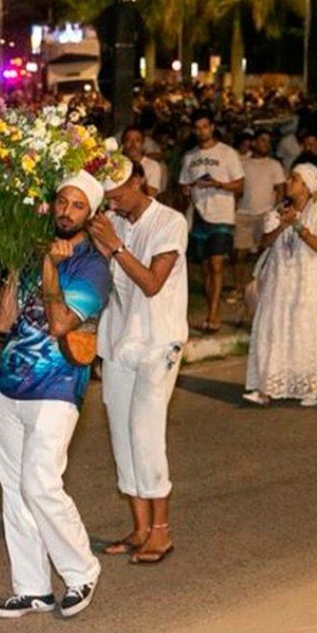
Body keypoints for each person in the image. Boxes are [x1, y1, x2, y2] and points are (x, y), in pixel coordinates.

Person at [0, 170, 110, 620]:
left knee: (40, 482)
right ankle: (32, 587)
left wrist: (48, 269)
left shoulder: (93, 268)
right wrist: (17, 267)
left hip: (57, 386)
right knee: (14, 489)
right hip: (8, 384)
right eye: (62, 202)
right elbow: (3, 323)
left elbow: (60, 323)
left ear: (90, 214)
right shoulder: (33, 254)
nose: (66, 212)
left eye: (78, 206)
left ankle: (81, 571)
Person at [88, 160, 187, 564]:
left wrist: (115, 246)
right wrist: (102, 248)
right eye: (107, 198)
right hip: (118, 341)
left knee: (146, 435)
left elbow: (151, 283)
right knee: (122, 436)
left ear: (139, 181)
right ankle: (140, 528)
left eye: (117, 195)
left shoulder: (169, 221)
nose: (112, 204)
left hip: (157, 342)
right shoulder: (114, 222)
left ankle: (161, 531)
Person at [244, 163, 317, 406]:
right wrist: (283, 225)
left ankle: (311, 386)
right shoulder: (279, 210)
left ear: (306, 187)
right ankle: (267, 387)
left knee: (306, 328)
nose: (288, 182)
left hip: (311, 278)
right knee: (277, 327)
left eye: (294, 179)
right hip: (282, 279)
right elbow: (264, 242)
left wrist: (297, 225)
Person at [179, 113, 245, 333]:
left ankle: (213, 314)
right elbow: (183, 185)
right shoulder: (190, 156)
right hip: (199, 214)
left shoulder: (227, 153)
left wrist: (218, 184)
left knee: (217, 263)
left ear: (212, 127)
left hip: (222, 214)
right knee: (206, 267)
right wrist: (187, 190)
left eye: (205, 126)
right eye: (198, 127)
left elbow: (240, 185)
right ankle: (210, 306)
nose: (202, 131)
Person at [235, 128, 286, 303]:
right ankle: (238, 288)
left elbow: (280, 189)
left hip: (266, 214)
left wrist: (276, 212)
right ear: (254, 143)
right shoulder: (242, 163)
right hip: (244, 213)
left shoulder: (274, 165)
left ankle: (263, 287)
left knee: (265, 253)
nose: (266, 144)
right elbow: (238, 187)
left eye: (268, 141)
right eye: (263, 140)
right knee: (239, 253)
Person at [121, 124, 164, 196]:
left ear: (142, 143)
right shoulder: (116, 163)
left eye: (137, 140)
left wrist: (140, 183)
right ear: (123, 143)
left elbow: (152, 193)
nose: (133, 144)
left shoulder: (153, 166)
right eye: (128, 140)